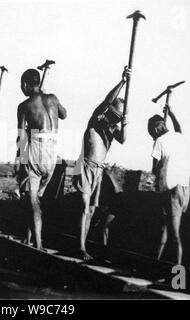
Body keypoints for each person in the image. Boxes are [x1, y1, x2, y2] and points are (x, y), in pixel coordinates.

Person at [75, 66, 130, 260]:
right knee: (83, 206)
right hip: (85, 165)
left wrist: (124, 123)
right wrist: (123, 81)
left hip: (98, 170)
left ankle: (83, 245)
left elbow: (123, 139)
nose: (116, 117)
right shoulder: (96, 119)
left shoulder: (111, 129)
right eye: (116, 113)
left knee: (90, 210)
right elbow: (107, 100)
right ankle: (80, 247)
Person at [16, 68, 67, 250]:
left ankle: (37, 245)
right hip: (52, 153)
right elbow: (64, 114)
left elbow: (21, 137)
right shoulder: (52, 98)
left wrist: (20, 161)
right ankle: (28, 239)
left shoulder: (24, 105)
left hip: (36, 150)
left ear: (25, 85)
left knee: (32, 201)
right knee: (36, 198)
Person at [148, 104, 190, 265]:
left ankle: (177, 280)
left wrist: (162, 164)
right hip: (185, 190)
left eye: (151, 132)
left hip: (172, 190)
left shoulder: (158, 141)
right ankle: (155, 266)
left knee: (175, 236)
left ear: (155, 130)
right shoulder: (177, 136)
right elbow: (179, 128)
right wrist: (171, 113)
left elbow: (154, 169)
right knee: (163, 230)